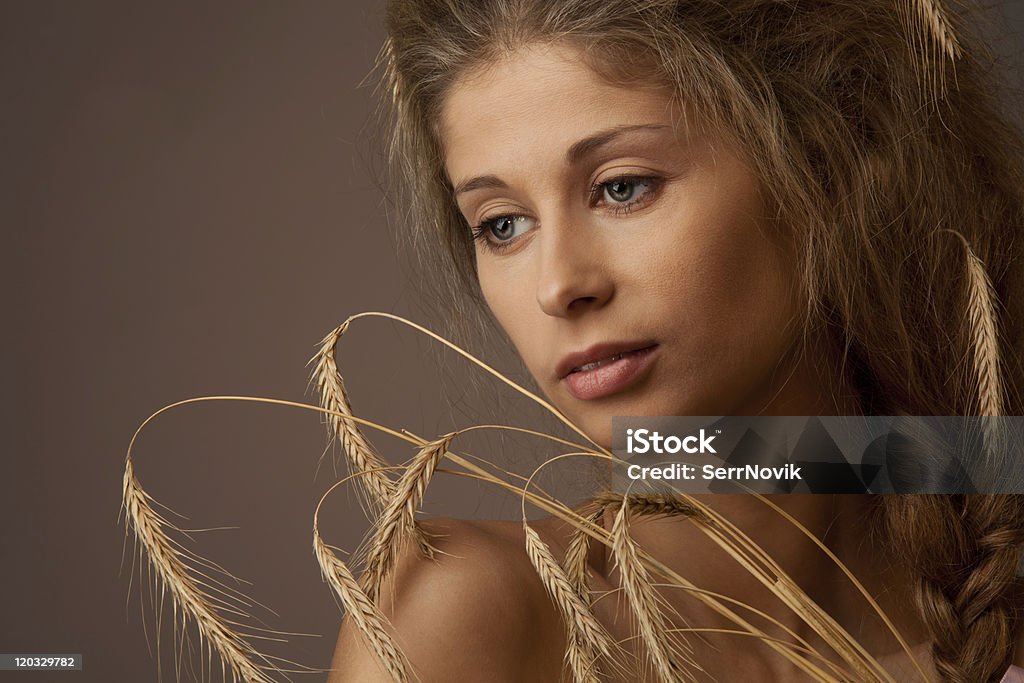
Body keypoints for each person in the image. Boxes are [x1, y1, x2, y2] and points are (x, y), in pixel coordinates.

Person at [327, 0, 1024, 680]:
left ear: (826, 165)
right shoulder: (461, 612)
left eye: (622, 186)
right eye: (502, 225)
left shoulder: (995, 604)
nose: (558, 285)